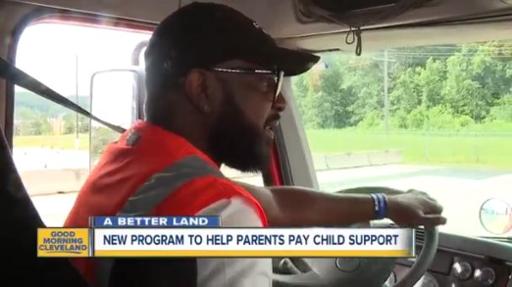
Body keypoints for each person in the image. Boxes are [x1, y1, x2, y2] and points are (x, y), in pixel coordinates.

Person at [65, 2, 446, 286]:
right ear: (202, 88)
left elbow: (275, 202)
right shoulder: (223, 218)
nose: (279, 101)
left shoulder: (136, 158)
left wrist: (387, 205)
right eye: (267, 80)